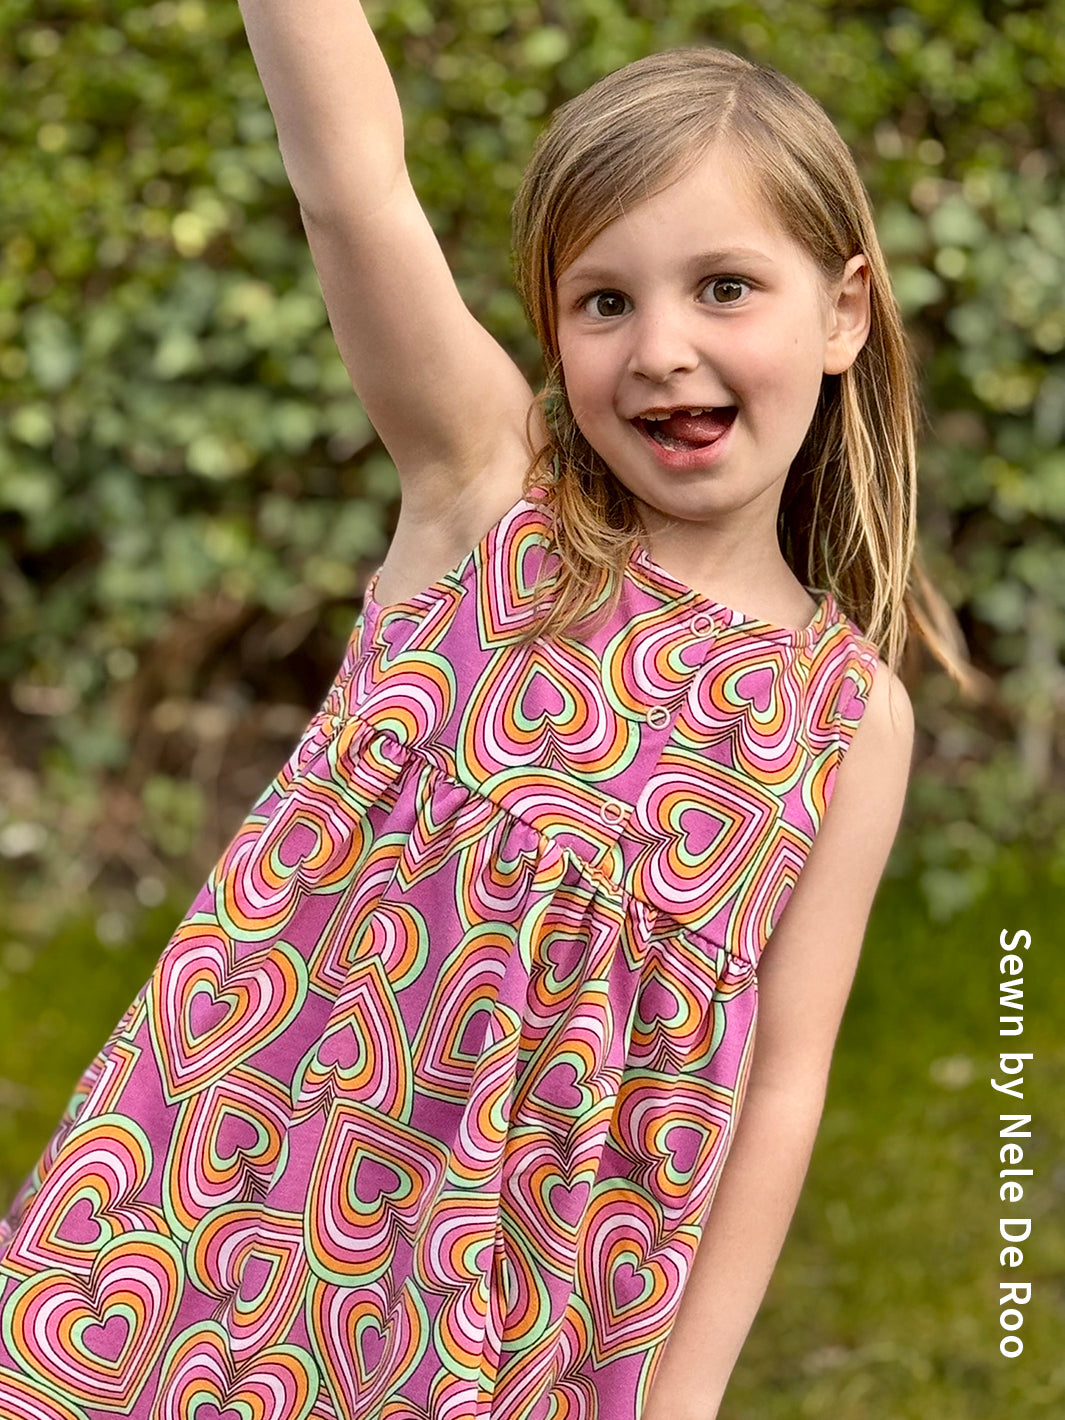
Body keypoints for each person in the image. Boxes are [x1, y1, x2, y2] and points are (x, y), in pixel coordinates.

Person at [0, 6, 972, 1419]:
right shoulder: (491, 507)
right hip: (224, 1218)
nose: (660, 348)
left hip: (504, 1317)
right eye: (603, 302)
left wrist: (679, 1400)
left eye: (723, 287)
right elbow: (354, 190)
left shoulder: (847, 720)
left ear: (842, 311)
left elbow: (780, 1087)